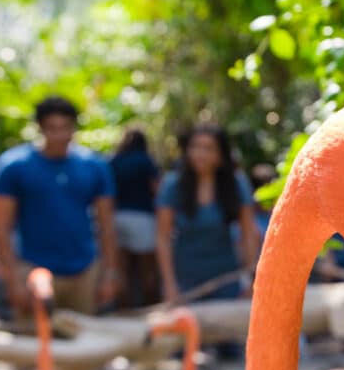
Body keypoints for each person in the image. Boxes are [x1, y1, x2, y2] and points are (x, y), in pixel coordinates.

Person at [0, 96, 118, 315]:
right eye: (52, 128)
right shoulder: (14, 167)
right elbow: (0, 228)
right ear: (40, 128)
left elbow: (107, 224)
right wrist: (13, 279)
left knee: (83, 340)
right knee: (34, 342)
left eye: (66, 128)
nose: (60, 135)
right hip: (34, 270)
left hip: (84, 270)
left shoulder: (94, 166)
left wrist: (110, 273)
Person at [155, 125, 259, 307]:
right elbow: (162, 237)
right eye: (195, 147)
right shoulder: (173, 185)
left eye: (208, 148)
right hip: (185, 280)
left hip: (227, 279)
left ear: (221, 154)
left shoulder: (236, 184)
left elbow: (249, 233)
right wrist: (169, 284)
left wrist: (252, 278)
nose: (200, 154)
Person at [109, 128, 161, 308]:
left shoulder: (115, 161)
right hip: (142, 218)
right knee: (148, 268)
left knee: (122, 268)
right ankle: (150, 309)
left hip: (117, 217)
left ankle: (125, 310)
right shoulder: (146, 161)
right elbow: (156, 189)